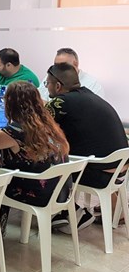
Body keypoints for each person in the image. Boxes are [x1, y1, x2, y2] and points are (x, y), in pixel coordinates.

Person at [45, 63, 128, 231]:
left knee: (49, 164)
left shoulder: (60, 101)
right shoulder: (90, 96)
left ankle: (72, 213)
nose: (46, 87)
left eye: (47, 83)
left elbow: (36, 129)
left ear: (58, 86)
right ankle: (73, 212)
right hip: (120, 171)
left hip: (100, 174)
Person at [0, 81, 70, 232]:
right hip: (60, 191)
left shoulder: (14, 132)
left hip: (37, 194)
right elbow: (3, 134)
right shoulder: (45, 125)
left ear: (11, 104)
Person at [38, 48, 105, 100]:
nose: (58, 69)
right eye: (56, 65)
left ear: (76, 64)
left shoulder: (93, 84)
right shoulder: (50, 78)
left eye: (63, 66)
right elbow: (38, 100)